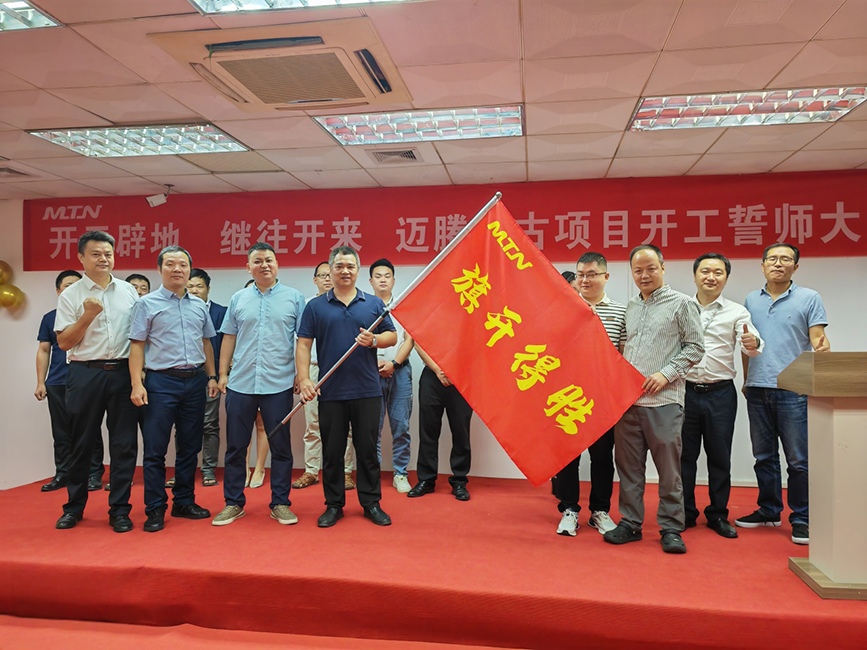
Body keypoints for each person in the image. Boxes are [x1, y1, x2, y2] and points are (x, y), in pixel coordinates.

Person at [603, 244, 704, 554]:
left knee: (669, 470)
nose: (644, 275)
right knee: (628, 468)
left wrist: (666, 373)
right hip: (628, 404)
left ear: (663, 267)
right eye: (638, 270)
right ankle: (630, 523)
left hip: (665, 402)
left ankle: (671, 527)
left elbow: (695, 347)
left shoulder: (682, 304)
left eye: (650, 268)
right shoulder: (631, 307)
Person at [297, 246, 397, 528]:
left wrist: (374, 340)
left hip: (367, 390)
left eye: (350, 266)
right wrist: (304, 379)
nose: (345, 271)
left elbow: (392, 335)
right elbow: (303, 344)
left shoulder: (372, 304)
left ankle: (371, 503)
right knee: (332, 452)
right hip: (331, 391)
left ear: (358, 271)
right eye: (339, 266)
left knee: (367, 451)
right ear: (330, 270)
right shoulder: (315, 306)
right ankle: (333, 505)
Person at [738, 243, 829, 545]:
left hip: (794, 388)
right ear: (763, 265)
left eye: (786, 259)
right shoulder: (751, 300)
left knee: (798, 460)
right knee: (763, 456)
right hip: (758, 388)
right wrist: (747, 380)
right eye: (773, 259)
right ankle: (769, 510)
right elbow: (747, 345)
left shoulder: (809, 297)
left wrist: (822, 348)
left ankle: (802, 518)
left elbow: (818, 337)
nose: (778, 263)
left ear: (795, 266)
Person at [211, 243, 306, 527]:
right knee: (236, 447)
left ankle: (280, 503)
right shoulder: (239, 298)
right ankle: (233, 503)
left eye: (269, 260)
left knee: (281, 447)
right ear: (248, 267)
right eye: (258, 261)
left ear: (277, 264)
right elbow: (228, 337)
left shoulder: (294, 298)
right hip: (240, 383)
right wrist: (223, 373)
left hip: (279, 384)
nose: (264, 265)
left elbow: (302, 341)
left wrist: (301, 375)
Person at [54, 231, 139, 533]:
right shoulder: (71, 295)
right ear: (81, 257)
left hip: (123, 373)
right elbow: (64, 343)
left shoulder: (129, 291)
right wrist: (87, 315)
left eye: (108, 254)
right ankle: (74, 508)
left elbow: (139, 337)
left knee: (124, 444)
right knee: (82, 443)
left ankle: (120, 510)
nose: (103, 259)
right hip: (85, 372)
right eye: (95, 254)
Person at [129, 247, 219, 533]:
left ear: (190, 270)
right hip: (160, 383)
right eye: (170, 264)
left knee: (190, 446)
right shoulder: (146, 304)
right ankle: (155, 507)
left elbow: (206, 342)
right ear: (160, 269)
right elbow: (137, 345)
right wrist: (136, 383)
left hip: (195, 381)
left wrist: (212, 376)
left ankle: (184, 501)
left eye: (183, 265)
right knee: (155, 449)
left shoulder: (199, 306)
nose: (177, 269)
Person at [682, 253, 762, 539]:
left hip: (720, 393)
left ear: (726, 278)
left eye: (718, 272)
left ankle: (717, 514)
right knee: (684, 456)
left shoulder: (737, 311)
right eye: (705, 271)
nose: (711, 277)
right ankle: (685, 512)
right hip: (685, 391)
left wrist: (753, 342)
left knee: (719, 457)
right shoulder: (681, 307)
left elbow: (752, 346)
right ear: (695, 276)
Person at [552, 252, 624, 536]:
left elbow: (623, 357)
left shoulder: (620, 312)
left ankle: (600, 511)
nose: (585, 280)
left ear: (606, 277)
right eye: (581, 274)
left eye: (592, 274)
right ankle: (569, 509)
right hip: (568, 395)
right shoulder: (562, 309)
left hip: (603, 399)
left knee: (603, 457)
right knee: (568, 456)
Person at [36, 270, 106, 492]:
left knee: (90, 428)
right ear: (58, 291)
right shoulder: (50, 317)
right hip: (58, 381)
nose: (73, 289)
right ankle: (63, 473)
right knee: (61, 431)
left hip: (87, 380)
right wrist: (41, 382)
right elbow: (44, 350)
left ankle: (94, 473)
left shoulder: (95, 315)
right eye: (68, 286)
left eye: (77, 285)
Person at [293, 262, 356, 491]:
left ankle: (346, 471)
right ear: (315, 280)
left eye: (330, 274)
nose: (327, 279)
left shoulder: (346, 303)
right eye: (322, 275)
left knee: (346, 426)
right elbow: (300, 344)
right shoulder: (308, 306)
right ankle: (311, 470)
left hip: (342, 371)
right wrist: (301, 375)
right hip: (313, 370)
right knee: (313, 424)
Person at [369, 258, 414, 494]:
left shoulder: (404, 306)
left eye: (387, 276)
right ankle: (372, 474)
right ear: (371, 281)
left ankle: (400, 473)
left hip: (400, 371)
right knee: (371, 428)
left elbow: (410, 339)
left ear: (394, 280)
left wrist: (394, 363)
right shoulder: (364, 307)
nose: (383, 280)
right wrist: (375, 363)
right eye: (378, 276)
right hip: (371, 372)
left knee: (401, 426)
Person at [408, 346, 473, 501]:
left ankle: (460, 481)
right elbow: (419, 343)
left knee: (461, 432)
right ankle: (426, 480)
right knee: (428, 431)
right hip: (432, 375)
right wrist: (437, 370)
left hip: (461, 376)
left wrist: (455, 370)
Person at [184, 268, 226, 487]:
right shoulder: (178, 310)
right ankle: (184, 470)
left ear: (208, 289)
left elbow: (226, 345)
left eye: (199, 286)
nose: (194, 290)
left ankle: (208, 469)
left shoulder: (221, 312)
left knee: (209, 424)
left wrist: (218, 375)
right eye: (190, 286)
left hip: (211, 376)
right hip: (183, 376)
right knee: (184, 425)